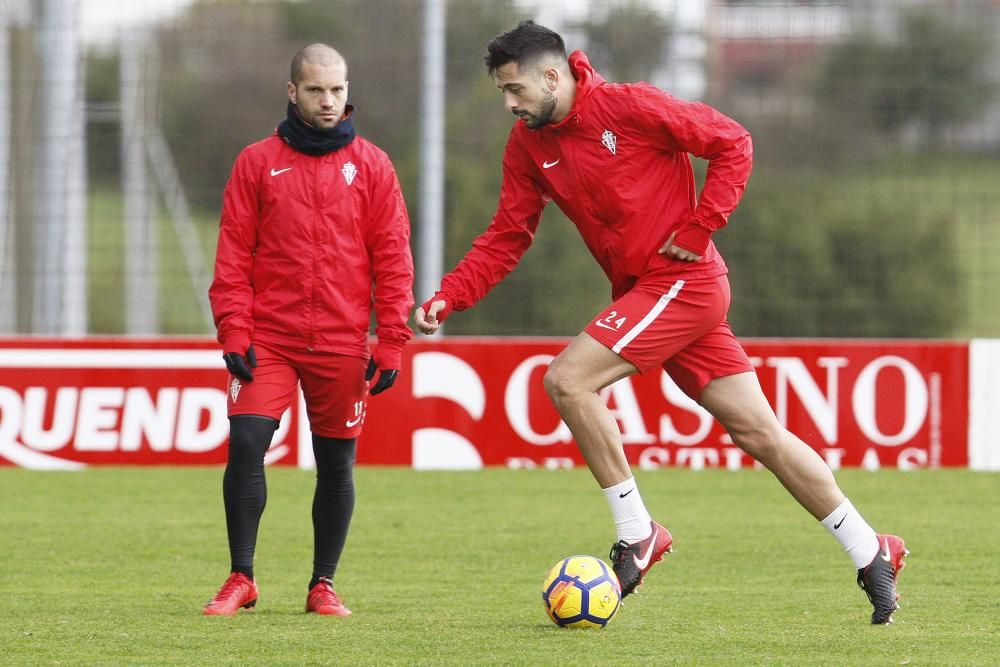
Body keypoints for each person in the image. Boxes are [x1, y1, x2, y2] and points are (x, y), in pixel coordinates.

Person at [414, 21, 907, 624]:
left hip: (684, 282)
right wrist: (451, 295)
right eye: (502, 93)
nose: (510, 103)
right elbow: (508, 233)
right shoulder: (527, 147)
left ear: (553, 75)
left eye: (515, 88)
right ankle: (870, 548)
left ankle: (638, 532)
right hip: (654, 295)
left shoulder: (631, 106)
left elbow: (733, 141)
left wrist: (702, 225)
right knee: (760, 435)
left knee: (567, 380)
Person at [205, 44, 414, 617]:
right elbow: (233, 255)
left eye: (338, 90)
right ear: (292, 91)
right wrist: (233, 330)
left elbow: (392, 256)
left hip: (342, 343)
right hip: (268, 338)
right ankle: (241, 577)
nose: (329, 101)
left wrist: (391, 338)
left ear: (349, 92)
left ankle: (323, 584)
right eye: (317, 90)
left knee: (336, 464)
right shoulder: (255, 162)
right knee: (246, 444)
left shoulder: (373, 166)